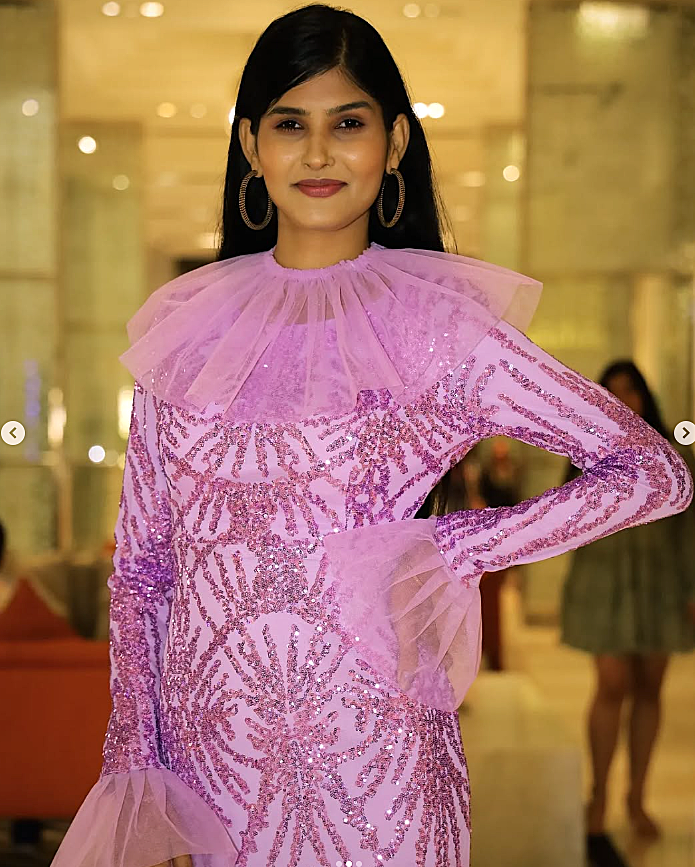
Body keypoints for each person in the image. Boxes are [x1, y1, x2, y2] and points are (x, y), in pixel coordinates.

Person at [50, 5, 693, 866]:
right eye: (289, 124)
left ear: (392, 143)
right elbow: (142, 572)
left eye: (347, 124)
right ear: (250, 145)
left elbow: (650, 471)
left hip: (377, 767)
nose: (317, 153)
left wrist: (451, 548)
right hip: (207, 778)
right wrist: (138, 767)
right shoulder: (192, 333)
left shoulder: (438, 330)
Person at [560, 361, 695, 865]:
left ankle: (636, 797)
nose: (623, 399)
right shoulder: (587, 452)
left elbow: (689, 527)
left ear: (645, 395)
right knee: (612, 685)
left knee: (649, 688)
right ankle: (598, 799)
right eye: (612, 391)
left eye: (630, 390)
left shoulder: (675, 453)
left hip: (662, 584)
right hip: (604, 585)